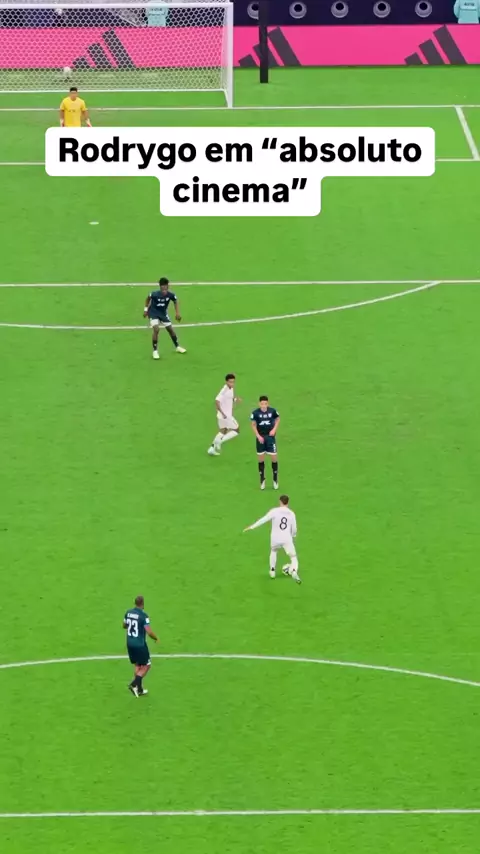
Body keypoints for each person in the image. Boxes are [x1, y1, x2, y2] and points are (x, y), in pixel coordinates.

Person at [244, 494, 301, 583]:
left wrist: (252, 527)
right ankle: (293, 571)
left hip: (275, 538)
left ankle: (272, 571)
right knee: (293, 557)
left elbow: (264, 519)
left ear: (280, 501)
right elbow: (294, 529)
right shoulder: (291, 513)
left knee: (274, 551)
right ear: (288, 502)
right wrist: (293, 536)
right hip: (286, 538)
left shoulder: (274, 511)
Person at [123, 595, 158, 697]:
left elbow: (124, 625)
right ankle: (134, 684)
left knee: (138, 665)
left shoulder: (128, 613)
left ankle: (139, 689)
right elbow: (149, 631)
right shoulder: (143, 616)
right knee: (147, 665)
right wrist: (156, 638)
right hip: (139, 644)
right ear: (142, 604)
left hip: (130, 643)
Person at [143, 277, 187, 360]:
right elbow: (147, 299)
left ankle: (177, 347)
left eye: (165, 286)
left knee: (170, 329)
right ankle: (155, 351)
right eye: (162, 287)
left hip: (163, 314)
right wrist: (145, 310)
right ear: (160, 287)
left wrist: (177, 313)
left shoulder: (171, 295)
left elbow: (175, 301)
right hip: (153, 313)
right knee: (156, 329)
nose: (164, 289)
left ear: (168, 286)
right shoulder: (154, 294)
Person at [250, 395, 280, 490]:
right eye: (262, 404)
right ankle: (262, 479)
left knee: (274, 457)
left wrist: (274, 429)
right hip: (261, 438)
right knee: (261, 459)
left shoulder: (272, 411)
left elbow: (278, 419)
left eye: (265, 404)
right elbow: (253, 425)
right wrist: (258, 436)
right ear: (259, 404)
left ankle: (275, 479)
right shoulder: (255, 413)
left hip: (270, 438)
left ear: (268, 403)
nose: (263, 405)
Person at [208, 373, 242, 456]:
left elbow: (228, 398)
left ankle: (212, 448)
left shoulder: (231, 388)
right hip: (226, 416)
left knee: (223, 431)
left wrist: (235, 399)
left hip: (221, 416)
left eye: (233, 382)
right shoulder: (224, 390)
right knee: (236, 430)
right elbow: (217, 401)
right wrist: (223, 413)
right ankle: (220, 441)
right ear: (226, 382)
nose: (232, 384)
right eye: (230, 382)